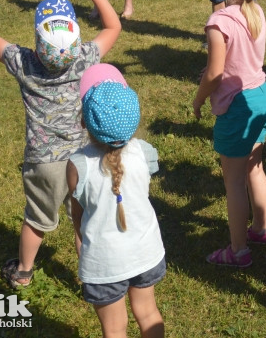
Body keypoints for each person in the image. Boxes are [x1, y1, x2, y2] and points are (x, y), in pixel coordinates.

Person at [0, 0, 121, 289]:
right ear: (76, 38)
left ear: (38, 42)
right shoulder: (84, 58)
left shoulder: (25, 63)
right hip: (84, 160)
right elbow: (113, 28)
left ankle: (24, 271)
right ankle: (92, 279)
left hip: (43, 162)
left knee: (37, 219)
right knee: (83, 221)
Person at [68, 65, 165, 338]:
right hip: (146, 253)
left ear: (84, 122)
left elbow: (78, 216)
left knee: (114, 330)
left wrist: (81, 243)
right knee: (148, 314)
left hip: (104, 261)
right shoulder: (145, 153)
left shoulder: (77, 165)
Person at [192, 0, 266, 267]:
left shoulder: (219, 22)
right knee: (255, 168)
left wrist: (199, 100)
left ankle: (238, 251)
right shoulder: (257, 13)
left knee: (233, 182)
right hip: (261, 99)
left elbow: (214, 73)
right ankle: (261, 229)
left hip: (237, 107)